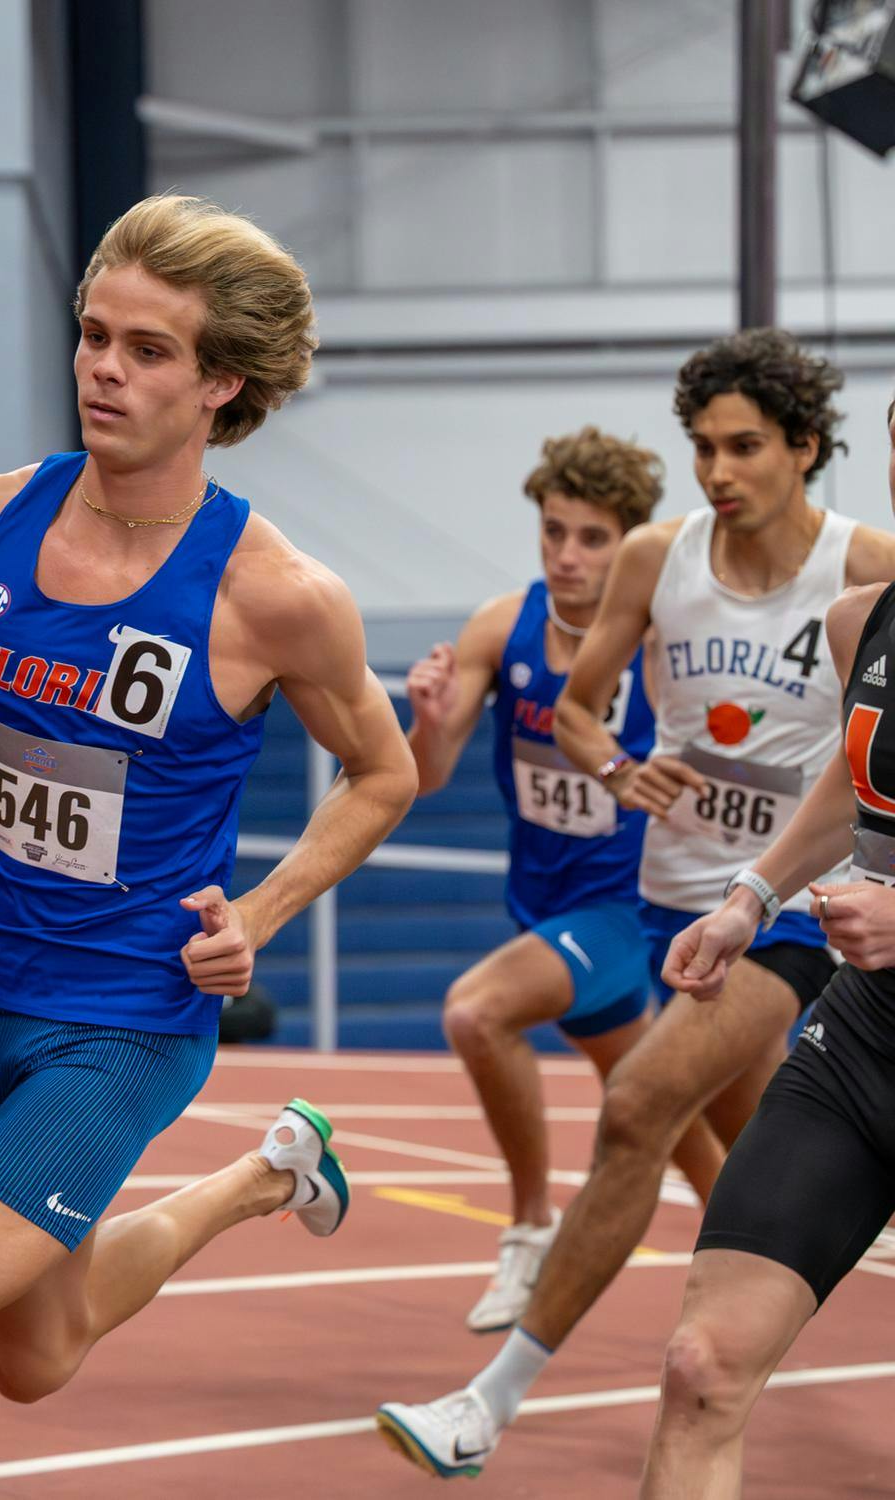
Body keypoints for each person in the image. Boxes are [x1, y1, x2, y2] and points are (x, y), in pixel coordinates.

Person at [0, 193, 417, 1499]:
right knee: (35, 1351)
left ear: (219, 383)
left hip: (125, 1018)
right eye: (94, 336)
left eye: (147, 350)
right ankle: (265, 1177)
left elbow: (382, 770)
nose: (103, 371)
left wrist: (264, 910)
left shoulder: (274, 596)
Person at [378, 328, 895, 1479]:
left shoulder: (860, 572)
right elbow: (573, 709)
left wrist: (788, 891)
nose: (717, 470)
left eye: (744, 446)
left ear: (805, 448)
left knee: (637, 1107)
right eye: (702, 447)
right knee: (743, 1161)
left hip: (809, 923)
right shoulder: (663, 558)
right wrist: (620, 773)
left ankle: (486, 1400)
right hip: (675, 900)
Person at [403, 427, 723, 1333]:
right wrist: (427, 720)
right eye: (555, 532)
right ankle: (768, 1259)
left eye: (593, 538)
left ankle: (530, 1227)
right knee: (678, 1126)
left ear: (631, 543)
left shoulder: (662, 644)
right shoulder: (502, 626)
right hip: (544, 906)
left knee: (477, 1011)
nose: (569, 555)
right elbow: (426, 774)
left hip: (630, 912)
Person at [639, 397, 895, 1498]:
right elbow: (850, 782)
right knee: (700, 1366)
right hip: (866, 1039)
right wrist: (749, 896)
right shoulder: (862, 622)